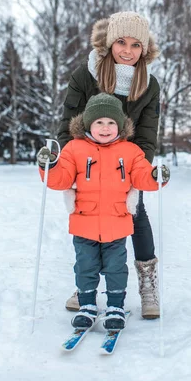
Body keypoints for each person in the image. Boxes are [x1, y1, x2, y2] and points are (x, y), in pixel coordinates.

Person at [56, 11, 162, 319]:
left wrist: (135, 173)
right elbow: (68, 125)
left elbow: (146, 136)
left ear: (144, 50)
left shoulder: (149, 85)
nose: (127, 51)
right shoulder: (84, 76)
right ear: (108, 43)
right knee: (89, 220)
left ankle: (147, 282)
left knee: (136, 216)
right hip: (87, 162)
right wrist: (73, 164)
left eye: (135, 45)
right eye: (120, 42)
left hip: (126, 165)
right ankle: (86, 286)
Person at [37, 93, 170, 330]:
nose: (105, 128)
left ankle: (115, 306)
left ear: (119, 125)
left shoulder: (130, 151)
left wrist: (154, 177)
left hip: (117, 224)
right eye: (99, 122)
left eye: (111, 123)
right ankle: (87, 305)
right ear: (89, 124)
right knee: (85, 267)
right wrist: (50, 166)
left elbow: (141, 176)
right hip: (83, 224)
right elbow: (60, 180)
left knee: (116, 269)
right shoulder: (74, 149)